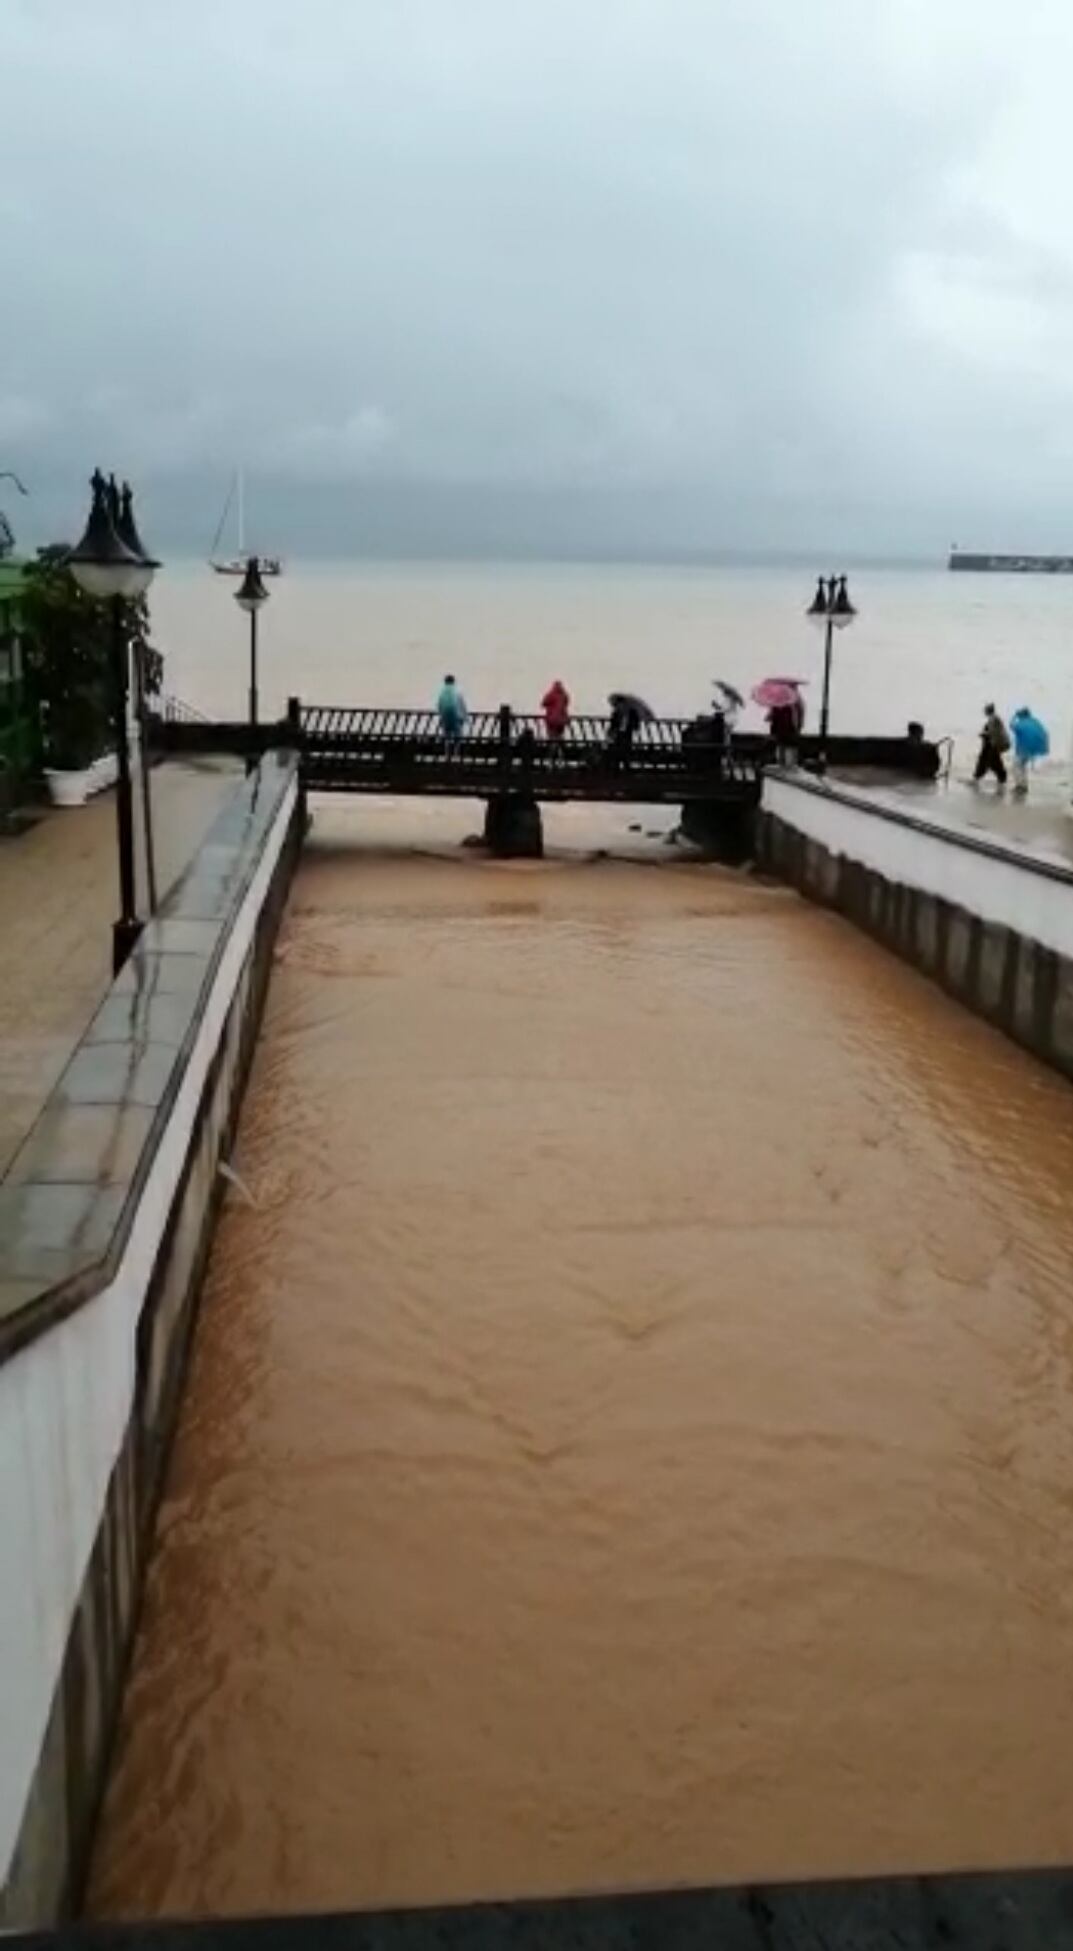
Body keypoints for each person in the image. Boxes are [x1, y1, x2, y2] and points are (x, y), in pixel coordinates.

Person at [1010, 706, 1049, 797]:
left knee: (1016, 766)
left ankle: (1020, 786)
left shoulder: (1021, 723)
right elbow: (1044, 733)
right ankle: (1024, 786)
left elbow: (1011, 725)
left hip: (1023, 749)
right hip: (1033, 749)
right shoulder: (1035, 722)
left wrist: (1014, 716)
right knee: (1022, 767)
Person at [974, 702, 1009, 786]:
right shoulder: (993, 718)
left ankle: (1001, 779)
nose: (984, 711)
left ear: (988, 710)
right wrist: (986, 734)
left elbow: (994, 732)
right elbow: (994, 731)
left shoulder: (993, 719)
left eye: (985, 710)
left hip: (994, 744)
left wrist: (985, 734)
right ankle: (978, 776)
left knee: (991, 761)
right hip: (992, 744)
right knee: (987, 760)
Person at [437, 674, 467, 743]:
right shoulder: (457, 691)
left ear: (445, 682)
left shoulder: (442, 693)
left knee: (447, 737)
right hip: (455, 718)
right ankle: (456, 751)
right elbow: (462, 705)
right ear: (454, 682)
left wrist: (441, 717)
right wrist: (465, 718)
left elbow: (439, 706)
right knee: (458, 736)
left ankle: (447, 751)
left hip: (445, 718)